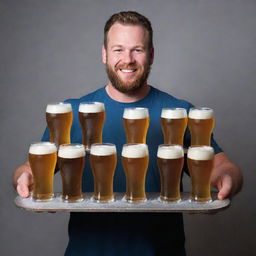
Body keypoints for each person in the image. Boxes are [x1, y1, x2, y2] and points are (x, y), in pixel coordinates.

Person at [13, 11, 243, 256]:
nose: (128, 59)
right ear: (104, 54)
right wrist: (24, 178)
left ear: (151, 55)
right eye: (118, 49)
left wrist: (228, 180)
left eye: (138, 50)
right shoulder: (72, 112)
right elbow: (30, 168)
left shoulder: (180, 111)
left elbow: (223, 167)